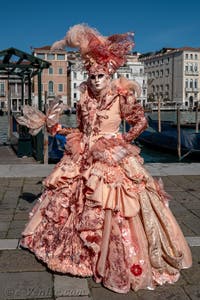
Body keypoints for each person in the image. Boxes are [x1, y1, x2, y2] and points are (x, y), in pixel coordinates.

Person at [19, 24, 192, 293]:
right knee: (68, 198)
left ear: (109, 74)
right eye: (92, 76)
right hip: (83, 155)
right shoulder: (84, 99)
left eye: (101, 76)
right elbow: (81, 129)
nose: (96, 80)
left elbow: (140, 123)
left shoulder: (121, 96)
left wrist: (121, 141)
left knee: (116, 201)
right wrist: (59, 129)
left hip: (111, 156)